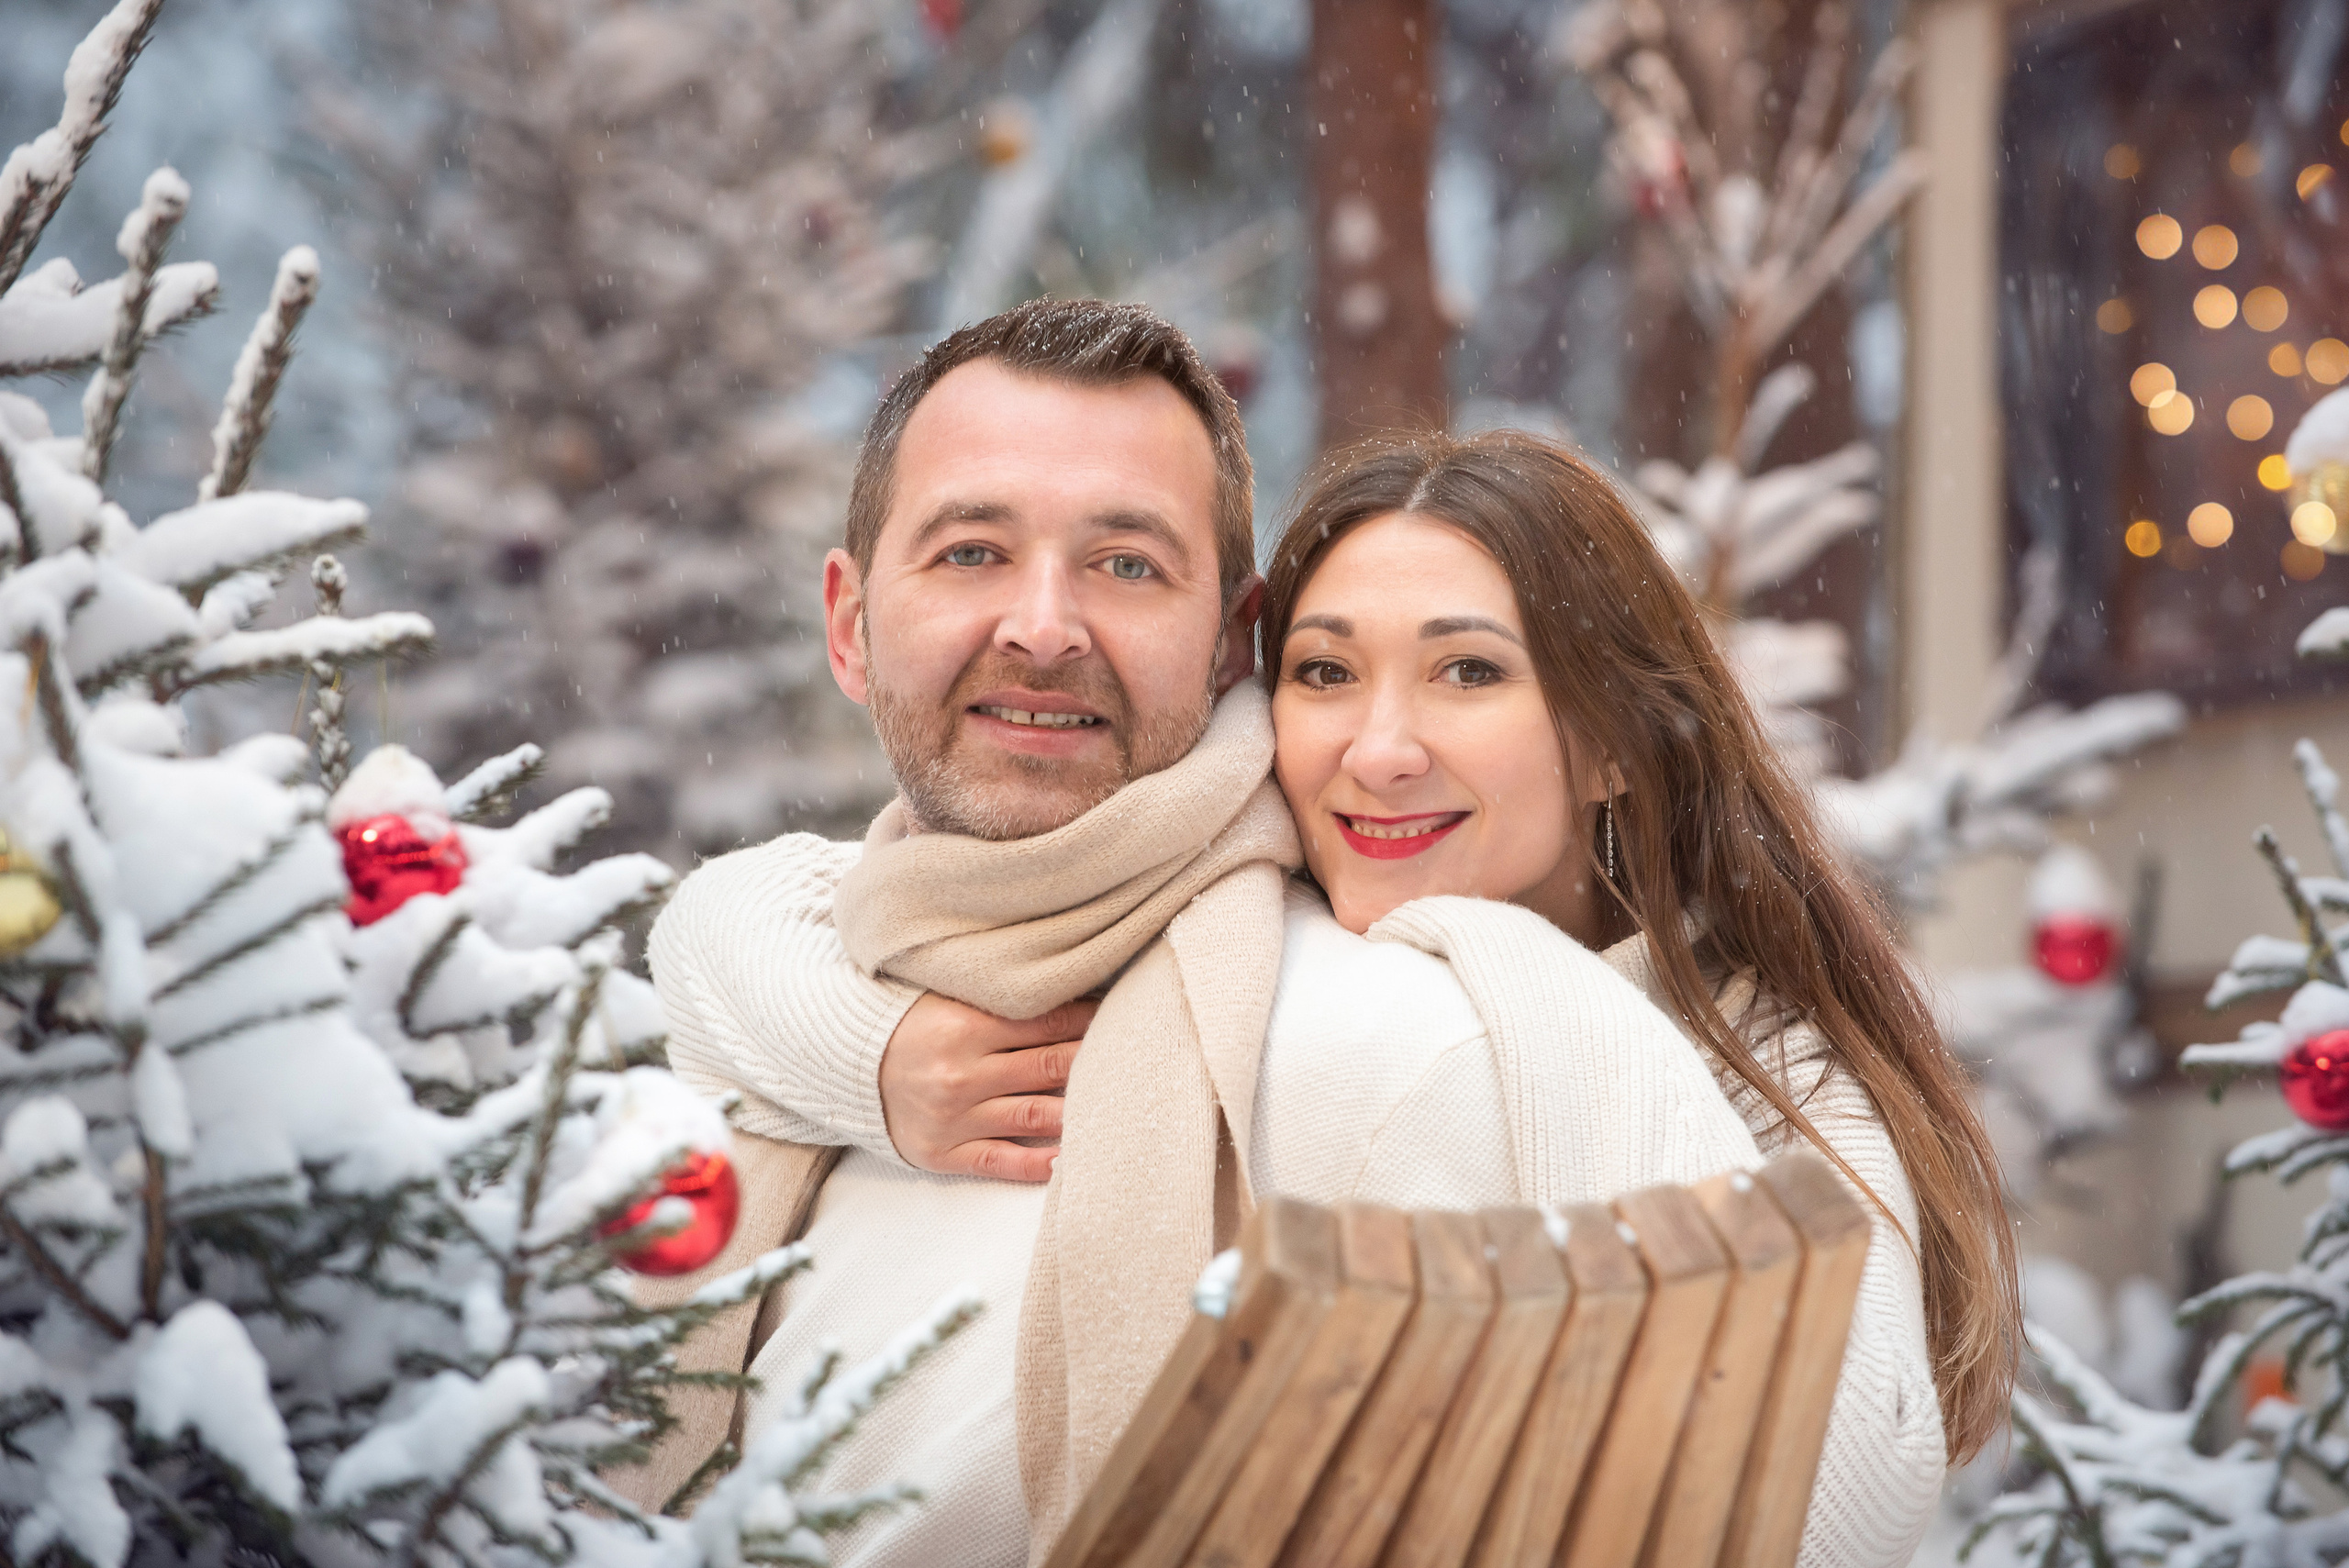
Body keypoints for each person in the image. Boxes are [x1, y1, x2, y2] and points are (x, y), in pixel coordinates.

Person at [621, 299, 1767, 1564]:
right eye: (970, 553)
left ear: (1232, 638)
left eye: (1126, 563)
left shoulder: (1399, 1047)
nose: (1043, 627)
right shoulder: (765, 1021)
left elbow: (1740, 1474)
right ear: (848, 624)